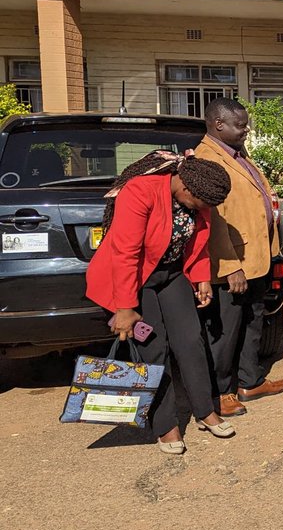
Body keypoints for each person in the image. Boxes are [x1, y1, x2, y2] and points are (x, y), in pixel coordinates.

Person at [85, 152, 234, 455]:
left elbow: (198, 240)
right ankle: (165, 424)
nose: (205, 210)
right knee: (155, 347)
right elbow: (126, 253)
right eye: (202, 205)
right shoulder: (141, 191)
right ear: (186, 190)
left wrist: (201, 277)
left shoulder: (199, 192)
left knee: (191, 340)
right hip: (134, 279)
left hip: (171, 273)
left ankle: (205, 410)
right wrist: (125, 307)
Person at [195, 99, 283, 419]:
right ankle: (221, 392)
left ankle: (250, 381)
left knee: (253, 321)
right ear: (218, 124)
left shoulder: (236, 153)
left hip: (257, 257)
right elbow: (214, 218)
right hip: (234, 262)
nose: (246, 129)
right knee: (225, 330)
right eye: (240, 125)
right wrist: (228, 264)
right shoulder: (207, 158)